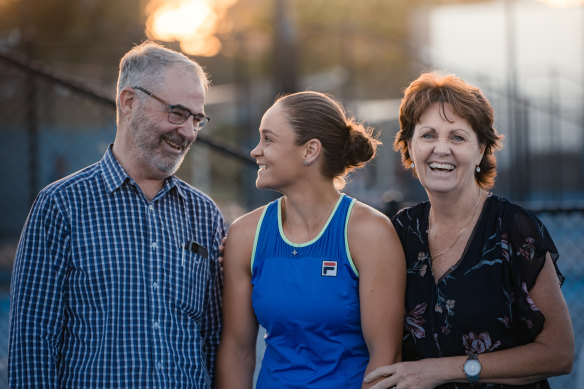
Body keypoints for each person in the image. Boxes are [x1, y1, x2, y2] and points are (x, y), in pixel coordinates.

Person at [9, 41, 225, 388]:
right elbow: (33, 342)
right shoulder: (61, 205)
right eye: (177, 113)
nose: (187, 132)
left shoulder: (205, 215)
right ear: (128, 102)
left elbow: (216, 339)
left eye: (196, 119)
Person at [364, 72, 574, 389]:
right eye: (428, 135)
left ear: (480, 151)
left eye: (457, 137)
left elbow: (559, 353)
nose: (441, 149)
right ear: (409, 146)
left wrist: (442, 370)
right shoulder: (400, 232)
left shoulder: (514, 230)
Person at [216, 91, 406, 388]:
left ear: (310, 151)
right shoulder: (244, 235)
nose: (256, 150)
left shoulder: (371, 232)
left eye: (268, 139)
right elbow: (238, 350)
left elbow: (385, 355)